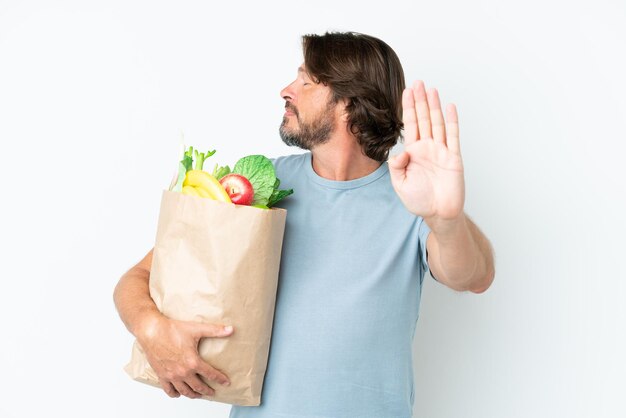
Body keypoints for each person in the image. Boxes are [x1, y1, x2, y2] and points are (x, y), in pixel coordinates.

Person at [114, 31, 495, 418]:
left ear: (349, 104)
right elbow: (140, 276)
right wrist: (151, 330)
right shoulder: (257, 186)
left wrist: (444, 219)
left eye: (306, 81)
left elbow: (473, 277)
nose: (286, 90)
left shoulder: (413, 196)